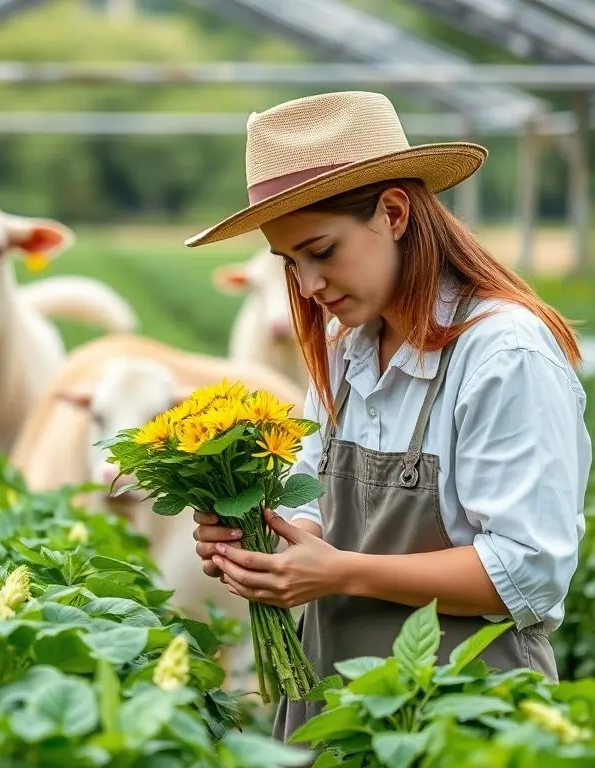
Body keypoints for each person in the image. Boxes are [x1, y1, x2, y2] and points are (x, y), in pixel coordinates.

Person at [184, 91, 592, 741]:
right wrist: (262, 543)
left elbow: (526, 569)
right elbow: (315, 505)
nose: (309, 285)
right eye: (292, 263)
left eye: (322, 250)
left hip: (462, 721)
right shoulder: (349, 354)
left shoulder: (502, 355)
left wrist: (341, 572)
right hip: (335, 709)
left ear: (394, 212)